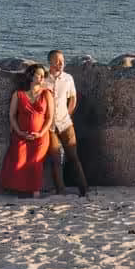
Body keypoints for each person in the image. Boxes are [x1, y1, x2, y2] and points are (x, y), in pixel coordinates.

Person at [0, 63, 53, 198]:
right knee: (18, 161)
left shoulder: (46, 94)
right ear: (30, 76)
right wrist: (19, 132)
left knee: (36, 163)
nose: (40, 78)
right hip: (21, 135)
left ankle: (35, 191)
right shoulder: (18, 94)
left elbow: (50, 117)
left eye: (42, 76)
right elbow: (12, 115)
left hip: (41, 136)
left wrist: (41, 133)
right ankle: (20, 190)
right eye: (38, 75)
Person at [43, 49, 89, 197]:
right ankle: (60, 190)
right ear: (50, 62)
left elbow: (73, 98)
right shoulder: (43, 79)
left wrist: (67, 114)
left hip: (66, 124)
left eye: (62, 60)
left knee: (73, 157)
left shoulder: (68, 78)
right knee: (56, 159)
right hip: (50, 127)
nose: (60, 63)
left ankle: (84, 189)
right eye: (57, 61)